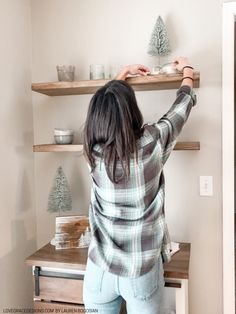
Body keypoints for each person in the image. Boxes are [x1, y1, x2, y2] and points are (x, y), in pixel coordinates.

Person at [82, 57, 197, 314]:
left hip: (99, 270)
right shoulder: (152, 143)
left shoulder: (92, 150)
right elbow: (181, 108)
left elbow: (103, 110)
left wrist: (121, 74)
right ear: (132, 110)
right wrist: (187, 72)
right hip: (140, 272)